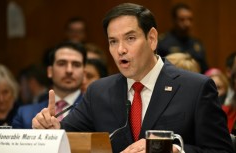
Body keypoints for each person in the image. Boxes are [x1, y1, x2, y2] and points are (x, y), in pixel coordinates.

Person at [32, 3, 233, 153]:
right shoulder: (99, 92)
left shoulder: (196, 88)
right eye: (113, 41)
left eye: (130, 38)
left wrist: (174, 151)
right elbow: (71, 139)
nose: (120, 50)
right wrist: (52, 130)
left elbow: (221, 151)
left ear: (152, 39)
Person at [12, 41, 86, 129]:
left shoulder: (95, 111)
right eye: (62, 63)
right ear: (50, 71)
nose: (69, 70)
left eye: (76, 65)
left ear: (84, 73)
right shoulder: (24, 114)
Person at [158, 3, 208, 73]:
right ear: (174, 20)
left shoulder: (197, 43)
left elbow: (205, 69)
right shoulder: (163, 42)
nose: (187, 23)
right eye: (182, 20)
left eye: (190, 19)